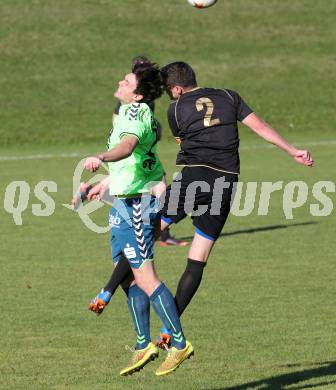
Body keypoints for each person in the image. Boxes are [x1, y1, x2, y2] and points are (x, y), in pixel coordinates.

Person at [89, 61, 314, 351]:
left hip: (194, 177)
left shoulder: (175, 110)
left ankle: (107, 292)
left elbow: (183, 143)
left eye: (172, 93)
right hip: (226, 182)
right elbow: (259, 127)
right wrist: (293, 151)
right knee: (198, 258)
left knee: (147, 235)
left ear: (178, 89)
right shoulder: (230, 96)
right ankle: (169, 330)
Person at [82, 62, 194, 376]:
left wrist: (101, 157)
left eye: (127, 80)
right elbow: (134, 160)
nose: (121, 81)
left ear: (138, 93)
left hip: (137, 206)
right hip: (123, 202)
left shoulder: (135, 113)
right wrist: (106, 183)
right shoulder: (128, 114)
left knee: (146, 278)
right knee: (129, 277)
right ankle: (144, 343)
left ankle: (180, 343)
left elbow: (128, 146)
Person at [113, 56, 188, 248]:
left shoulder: (144, 98)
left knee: (160, 187)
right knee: (154, 188)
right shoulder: (132, 97)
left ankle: (159, 231)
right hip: (137, 153)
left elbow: (147, 123)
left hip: (143, 151)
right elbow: (120, 123)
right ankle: (156, 232)